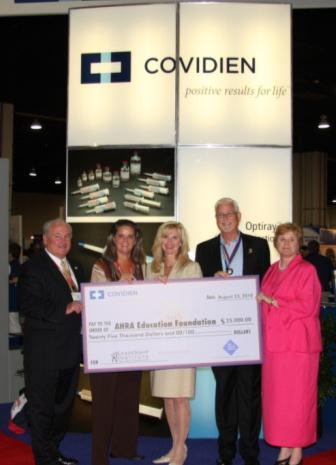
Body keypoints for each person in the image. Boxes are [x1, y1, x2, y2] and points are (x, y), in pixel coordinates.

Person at [195, 198, 270, 465]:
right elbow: (197, 290)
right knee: (224, 392)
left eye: (229, 214)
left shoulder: (258, 246)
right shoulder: (203, 249)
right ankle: (226, 452)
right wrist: (210, 282)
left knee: (249, 394)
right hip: (219, 332)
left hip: (249, 331)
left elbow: (266, 284)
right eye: (220, 214)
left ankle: (250, 452)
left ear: (238, 216)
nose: (225, 218)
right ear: (216, 218)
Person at [18, 219, 84, 465]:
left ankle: (54, 452)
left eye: (67, 236)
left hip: (69, 351)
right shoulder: (33, 268)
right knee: (43, 411)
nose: (63, 241)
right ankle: (44, 460)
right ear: (45, 239)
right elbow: (29, 305)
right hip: (44, 355)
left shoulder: (76, 266)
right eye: (58, 236)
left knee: (63, 409)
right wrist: (65, 308)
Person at [258, 223, 322, 465]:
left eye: (291, 240)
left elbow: (308, 307)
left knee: (298, 400)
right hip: (274, 347)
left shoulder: (307, 270)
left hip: (298, 347)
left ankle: (297, 450)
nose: (286, 244)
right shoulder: (272, 270)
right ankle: (285, 445)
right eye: (282, 239)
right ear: (275, 243)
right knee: (279, 401)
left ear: (299, 244)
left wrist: (274, 302)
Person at [90, 220, 146, 465]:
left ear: (136, 240)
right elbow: (97, 303)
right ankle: (99, 457)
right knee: (104, 403)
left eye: (130, 236)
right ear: (113, 238)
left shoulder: (142, 266)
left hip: (133, 341)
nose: (125, 241)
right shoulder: (101, 266)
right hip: (106, 345)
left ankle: (124, 448)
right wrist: (118, 286)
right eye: (121, 236)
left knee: (128, 398)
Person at [146, 221, 202, 465]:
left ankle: (180, 449)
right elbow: (144, 304)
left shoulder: (192, 267)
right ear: (160, 241)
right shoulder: (150, 268)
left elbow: (196, 303)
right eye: (166, 237)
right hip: (159, 341)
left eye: (175, 238)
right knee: (167, 397)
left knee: (180, 397)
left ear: (182, 242)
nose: (170, 242)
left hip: (182, 341)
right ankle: (174, 445)